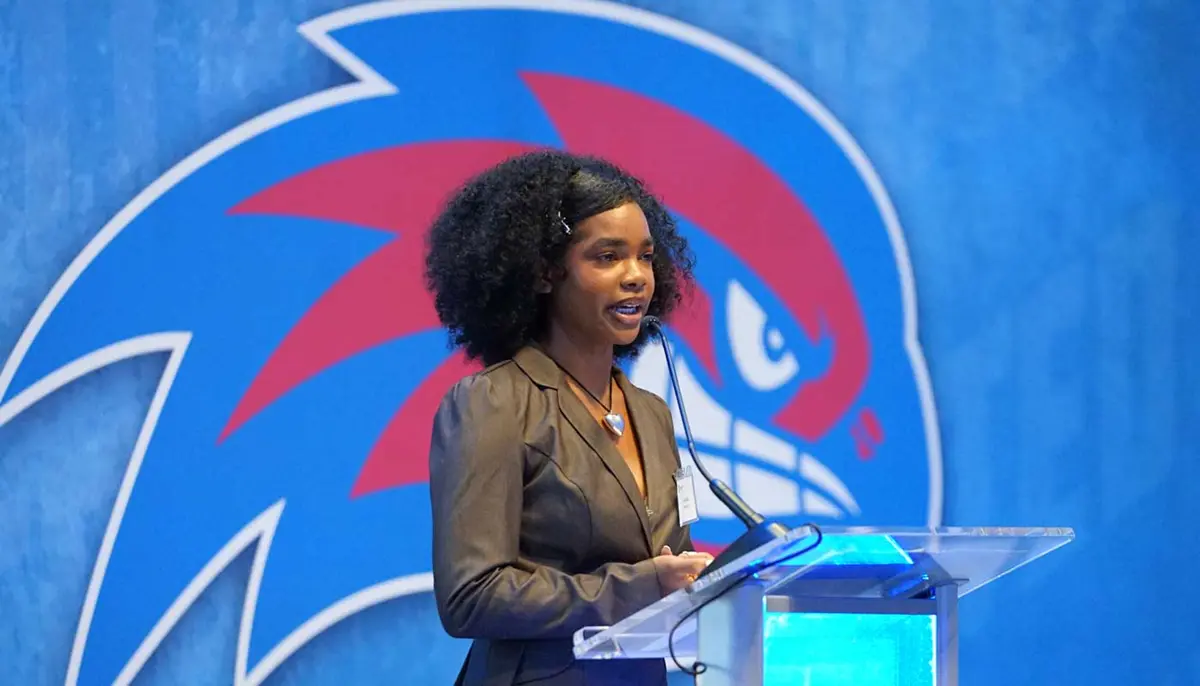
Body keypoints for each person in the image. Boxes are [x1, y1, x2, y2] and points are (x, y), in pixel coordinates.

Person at [425, 149, 713, 685]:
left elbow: (666, 566)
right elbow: (471, 595)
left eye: (646, 258)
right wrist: (640, 585)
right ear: (542, 274)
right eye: (607, 257)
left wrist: (724, 579)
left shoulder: (650, 413)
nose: (636, 277)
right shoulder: (494, 402)